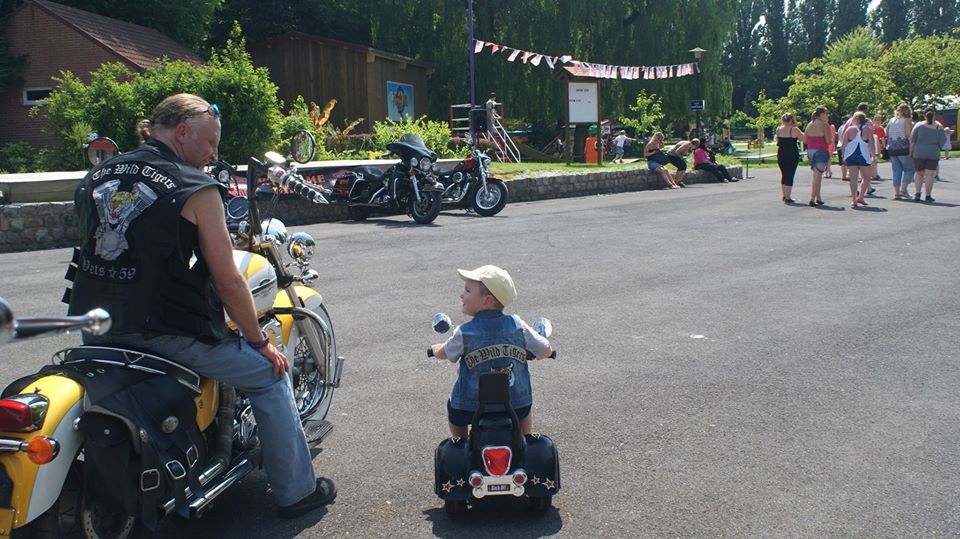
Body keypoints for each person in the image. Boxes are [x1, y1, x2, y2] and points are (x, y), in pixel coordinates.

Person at [66, 93, 336, 519]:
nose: (213, 154)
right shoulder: (194, 187)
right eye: (209, 143)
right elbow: (228, 279)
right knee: (269, 374)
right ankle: (297, 492)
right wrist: (259, 340)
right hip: (165, 334)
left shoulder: (97, 175)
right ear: (181, 133)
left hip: (96, 330)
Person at [430, 265, 553, 438]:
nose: (461, 295)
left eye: (467, 290)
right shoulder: (518, 325)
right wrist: (546, 354)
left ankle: (461, 443)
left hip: (470, 407)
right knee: (525, 410)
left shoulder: (464, 332)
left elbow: (446, 352)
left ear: (487, 301)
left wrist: (435, 350)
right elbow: (545, 348)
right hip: (516, 406)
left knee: (454, 413)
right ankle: (524, 442)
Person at [910, 107, 947, 203]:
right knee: (930, 175)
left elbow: (913, 140)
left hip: (919, 152)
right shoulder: (939, 127)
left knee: (919, 174)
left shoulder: (918, 125)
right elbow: (942, 141)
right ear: (934, 115)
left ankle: (917, 193)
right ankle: (928, 195)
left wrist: (911, 152)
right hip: (933, 153)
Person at [841, 111, 875, 208]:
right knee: (866, 177)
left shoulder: (849, 129)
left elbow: (843, 145)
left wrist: (843, 156)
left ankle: (853, 200)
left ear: (855, 119)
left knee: (853, 179)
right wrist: (873, 156)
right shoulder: (868, 130)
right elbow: (871, 144)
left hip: (851, 156)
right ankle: (861, 197)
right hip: (863, 155)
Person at [804, 107, 832, 206]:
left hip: (811, 151)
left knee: (816, 175)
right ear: (821, 115)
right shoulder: (825, 125)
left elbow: (805, 140)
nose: (827, 115)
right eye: (826, 113)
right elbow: (829, 141)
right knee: (818, 177)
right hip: (821, 150)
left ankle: (818, 197)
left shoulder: (809, 125)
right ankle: (812, 198)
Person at [886, 103, 915, 199]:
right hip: (903, 148)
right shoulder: (906, 120)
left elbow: (887, 134)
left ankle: (897, 193)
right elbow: (908, 136)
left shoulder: (891, 120)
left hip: (892, 148)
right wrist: (911, 151)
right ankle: (904, 189)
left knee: (896, 171)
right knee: (910, 169)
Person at [776, 113, 804, 203]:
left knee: (784, 174)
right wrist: (796, 125)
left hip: (781, 153)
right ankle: (788, 197)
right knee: (790, 174)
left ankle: (784, 195)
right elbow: (803, 138)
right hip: (791, 153)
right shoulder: (794, 129)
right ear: (792, 120)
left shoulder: (778, 129)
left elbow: (778, 141)